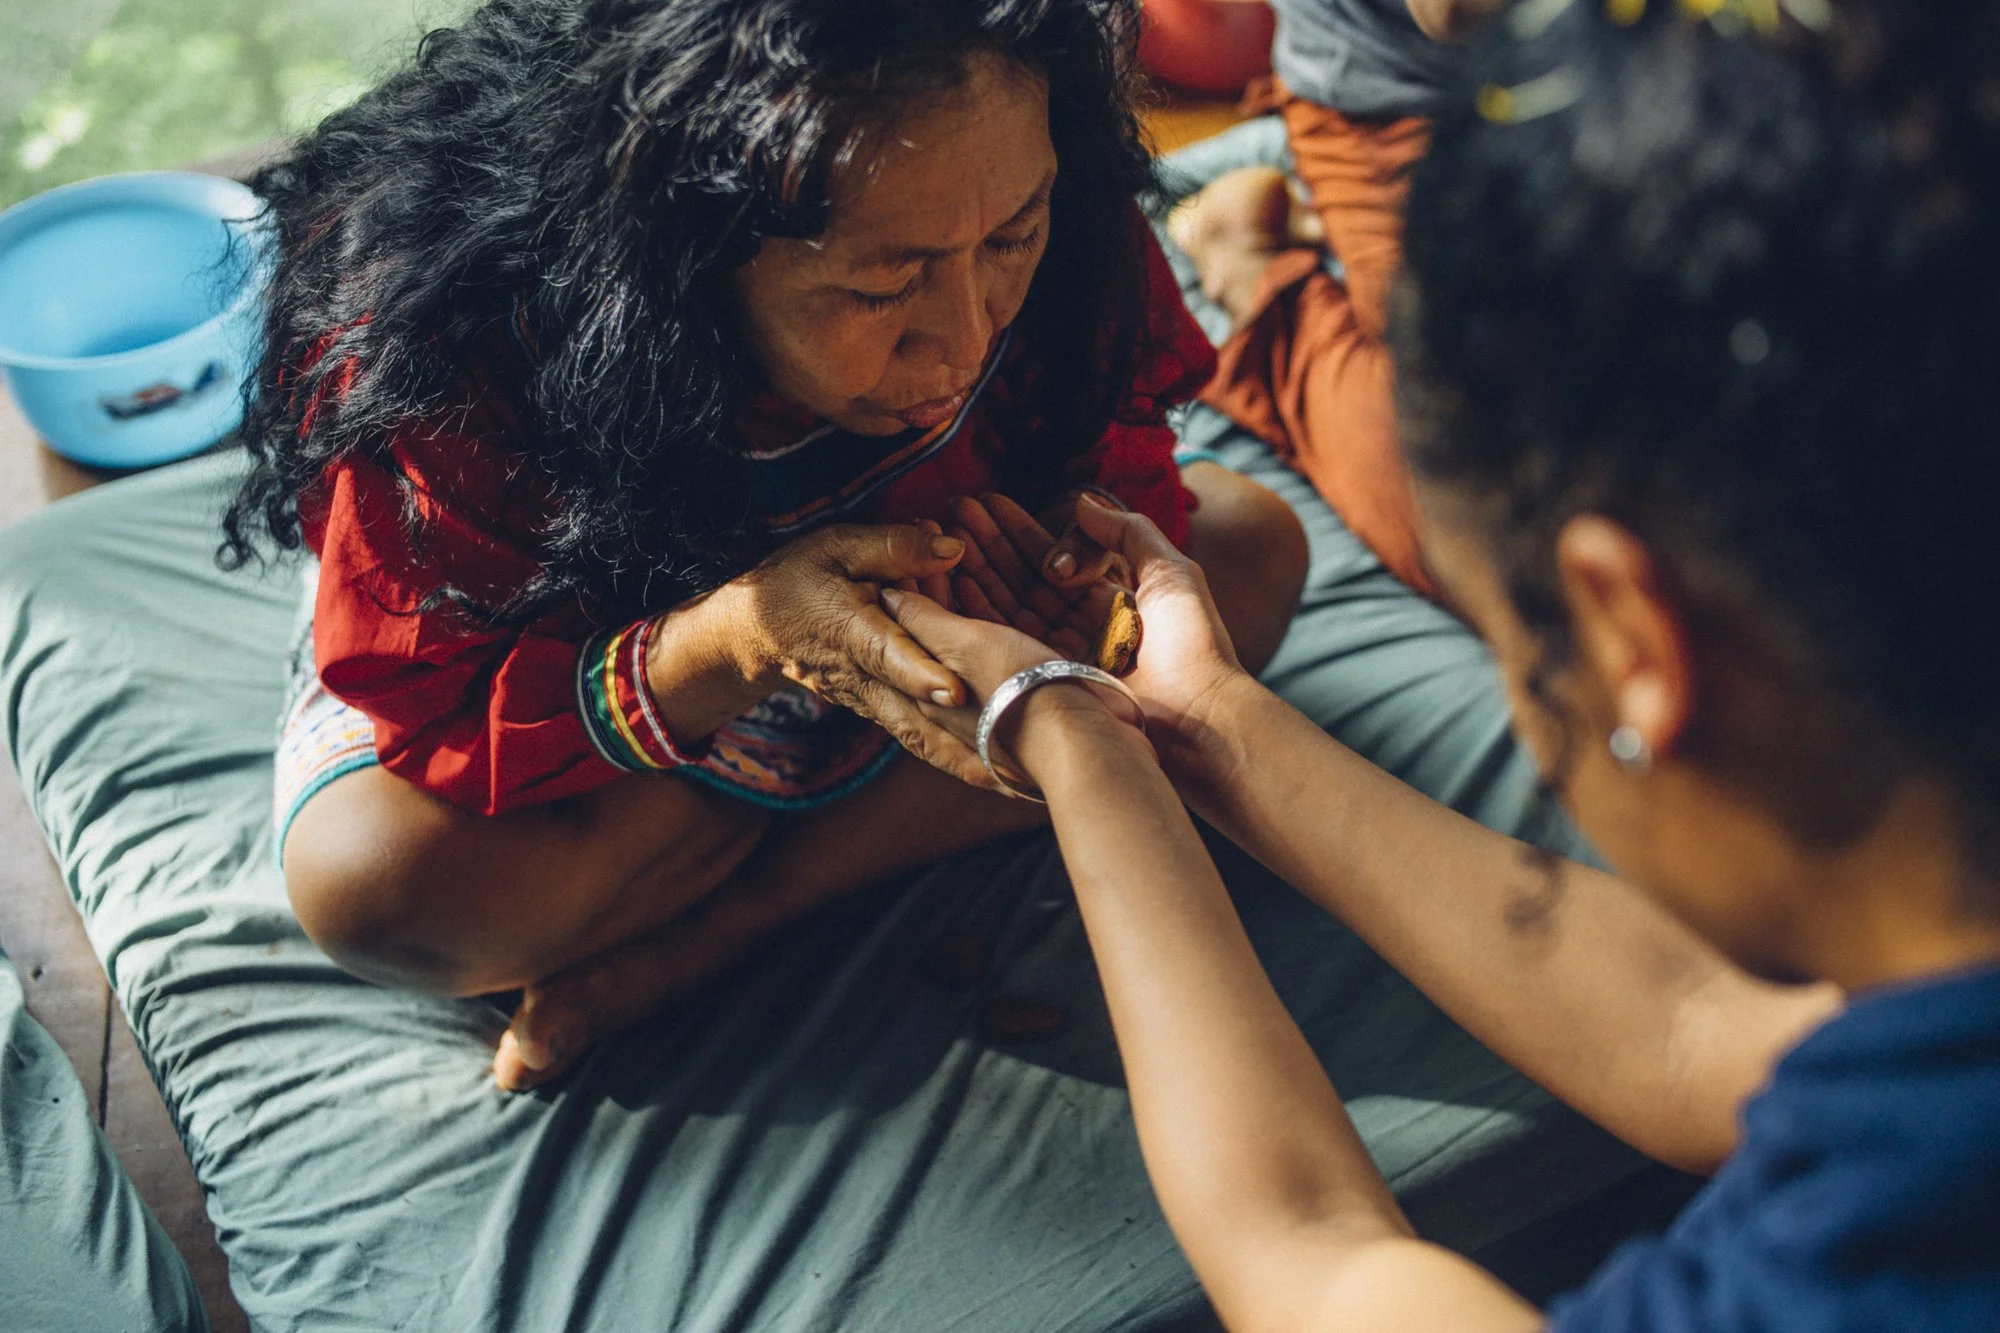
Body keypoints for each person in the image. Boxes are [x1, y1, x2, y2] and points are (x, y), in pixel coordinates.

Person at [881, 0, 2000, 1326]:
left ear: (1635, 641)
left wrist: (1074, 738)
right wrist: (1205, 721)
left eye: (1525, 655)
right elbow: (1703, 1028)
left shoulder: (1813, 1287)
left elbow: (1308, 1254)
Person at [220, 0, 1307, 1090]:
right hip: (608, 662)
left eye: (1012, 238)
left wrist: (1069, 557)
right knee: (382, 886)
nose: (967, 337)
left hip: (909, 638)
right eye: (881, 285)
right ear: (676, 253)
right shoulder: (458, 352)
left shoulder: (1026, 184)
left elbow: (1103, 433)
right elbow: (448, 700)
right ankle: (744, 832)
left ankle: (735, 916)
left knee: (1245, 562)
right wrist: (736, 642)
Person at [1170, 0, 1502, 594]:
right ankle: (1259, 281)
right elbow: (1454, 12)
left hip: (1612, 97)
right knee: (1489, 542)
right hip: (1400, 96)